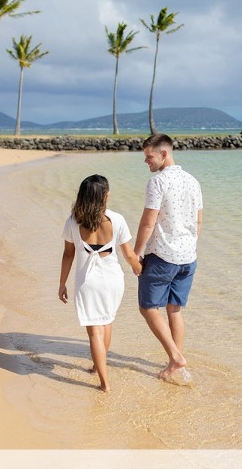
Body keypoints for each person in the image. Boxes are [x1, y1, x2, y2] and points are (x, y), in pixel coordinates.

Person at [58, 174, 142, 392]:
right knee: (107, 322)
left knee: (95, 331)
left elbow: (68, 255)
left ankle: (104, 383)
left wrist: (62, 283)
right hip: (114, 281)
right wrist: (142, 271)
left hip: (88, 282)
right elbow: (130, 256)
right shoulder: (117, 219)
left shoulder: (73, 221)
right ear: (105, 195)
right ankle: (97, 367)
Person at [134, 134, 203, 384]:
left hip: (162, 256)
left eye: (149, 156)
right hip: (188, 257)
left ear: (164, 154)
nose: (146, 161)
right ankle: (176, 364)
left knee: (148, 308)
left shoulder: (158, 182)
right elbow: (199, 221)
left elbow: (148, 222)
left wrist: (136, 253)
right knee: (174, 309)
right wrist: (190, 247)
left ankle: (175, 358)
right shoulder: (193, 181)